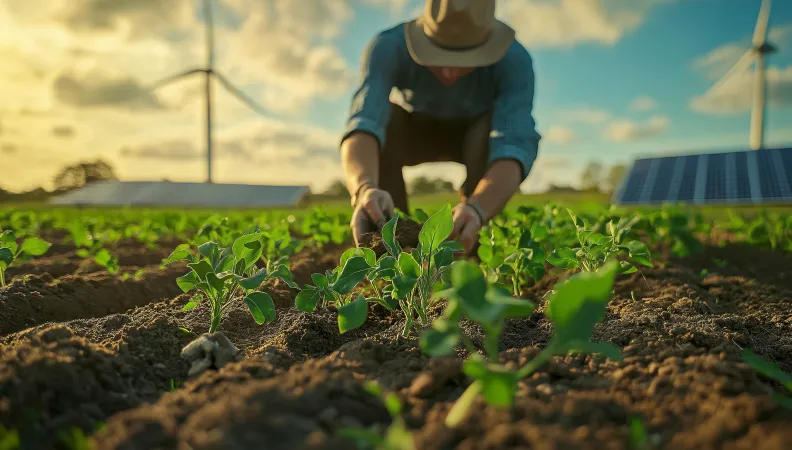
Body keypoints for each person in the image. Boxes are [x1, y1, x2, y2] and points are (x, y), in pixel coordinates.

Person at [340, 0, 541, 254]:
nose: (449, 72)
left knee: (487, 132)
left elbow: (514, 144)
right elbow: (364, 123)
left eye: (464, 60)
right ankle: (391, 235)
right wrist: (363, 188)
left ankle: (470, 229)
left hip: (477, 136)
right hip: (416, 129)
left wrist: (477, 208)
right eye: (437, 55)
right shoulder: (389, 46)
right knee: (388, 119)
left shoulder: (514, 60)